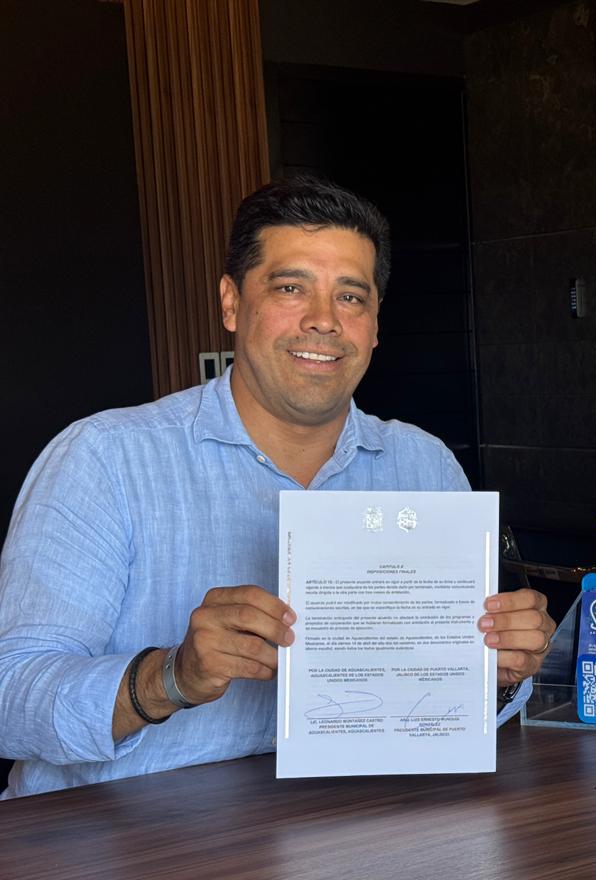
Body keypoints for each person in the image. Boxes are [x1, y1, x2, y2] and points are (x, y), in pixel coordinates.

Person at [0, 177, 555, 799]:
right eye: (291, 288)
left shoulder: (424, 467)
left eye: (351, 297)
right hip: (116, 838)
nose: (324, 321)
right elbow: (9, 697)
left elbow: (457, 708)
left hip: (348, 826)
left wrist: (504, 668)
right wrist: (170, 678)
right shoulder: (105, 458)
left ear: (374, 325)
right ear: (231, 303)